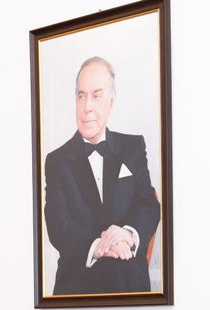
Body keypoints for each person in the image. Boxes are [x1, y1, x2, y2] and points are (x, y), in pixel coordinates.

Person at [44, 56, 161, 296]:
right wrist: (98, 247)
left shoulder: (133, 147)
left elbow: (149, 204)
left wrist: (127, 234)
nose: (87, 106)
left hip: (127, 279)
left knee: (124, 273)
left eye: (96, 96)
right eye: (81, 96)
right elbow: (57, 224)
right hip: (78, 285)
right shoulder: (56, 161)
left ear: (111, 101)